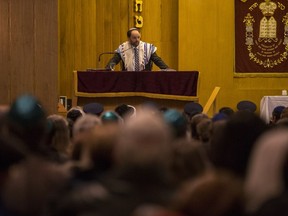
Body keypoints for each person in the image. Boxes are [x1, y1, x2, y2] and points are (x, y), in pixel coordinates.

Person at [106, 28, 170, 71]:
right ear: (128, 38)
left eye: (138, 37)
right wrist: (110, 66)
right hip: (128, 79)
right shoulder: (123, 48)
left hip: (145, 78)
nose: (137, 40)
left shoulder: (148, 47)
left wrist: (167, 68)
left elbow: (157, 60)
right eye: (134, 38)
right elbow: (114, 60)